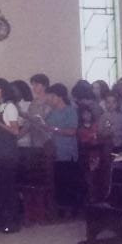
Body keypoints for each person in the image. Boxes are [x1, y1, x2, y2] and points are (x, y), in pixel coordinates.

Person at [0, 78, 22, 233]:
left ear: (4, 90)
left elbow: (15, 131)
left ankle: (12, 222)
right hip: (0, 152)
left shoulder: (10, 107)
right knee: (0, 188)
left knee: (8, 189)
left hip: (8, 153)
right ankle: (3, 221)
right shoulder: (1, 106)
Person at [44, 83, 79, 216]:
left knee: (68, 180)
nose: (49, 100)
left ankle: (70, 208)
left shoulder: (70, 111)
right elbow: (46, 127)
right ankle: (59, 207)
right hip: (54, 151)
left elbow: (72, 131)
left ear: (59, 97)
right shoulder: (51, 112)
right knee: (58, 180)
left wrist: (55, 129)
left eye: (51, 97)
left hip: (67, 151)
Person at [25, 74, 53, 146]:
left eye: (36, 85)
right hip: (35, 137)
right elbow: (29, 121)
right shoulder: (34, 102)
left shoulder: (52, 100)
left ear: (45, 85)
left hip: (50, 137)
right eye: (33, 85)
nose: (33, 88)